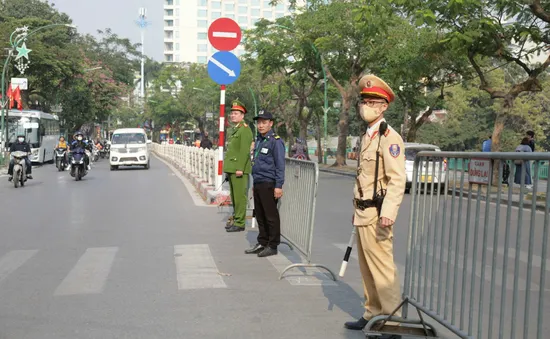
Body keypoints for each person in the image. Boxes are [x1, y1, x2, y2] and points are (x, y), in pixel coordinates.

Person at [344, 74, 406, 331]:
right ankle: (372, 312)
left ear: (384, 107)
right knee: (367, 267)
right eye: (364, 101)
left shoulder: (389, 137)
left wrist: (389, 212)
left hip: (379, 213)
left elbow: (396, 178)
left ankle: (391, 322)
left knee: (382, 269)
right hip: (363, 212)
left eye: (373, 101)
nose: (366, 106)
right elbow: (364, 178)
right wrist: (355, 209)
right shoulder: (367, 136)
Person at [245, 110, 285, 257]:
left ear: (271, 123)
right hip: (258, 181)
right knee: (260, 215)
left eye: (264, 122)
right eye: (259, 122)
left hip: (269, 182)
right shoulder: (259, 140)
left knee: (271, 216)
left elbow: (280, 165)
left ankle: (272, 245)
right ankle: (263, 241)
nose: (260, 125)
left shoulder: (275, 141)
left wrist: (278, 185)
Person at [224, 100, 253, 232]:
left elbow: (244, 151)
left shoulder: (244, 130)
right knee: (235, 196)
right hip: (232, 168)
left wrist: (240, 168)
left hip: (239, 169)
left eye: (236, 113)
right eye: (232, 113)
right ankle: (236, 219)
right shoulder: (235, 130)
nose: (232, 116)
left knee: (240, 197)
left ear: (242, 116)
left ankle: (240, 222)